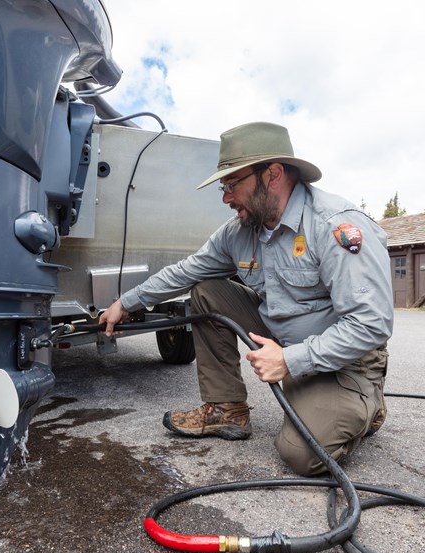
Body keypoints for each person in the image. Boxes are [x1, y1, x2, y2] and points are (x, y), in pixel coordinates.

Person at [99, 121, 393, 476]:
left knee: (301, 455)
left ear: (273, 174)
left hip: (345, 359)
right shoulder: (238, 232)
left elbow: (370, 323)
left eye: (232, 184)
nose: (225, 198)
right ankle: (227, 410)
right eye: (223, 187)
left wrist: (291, 360)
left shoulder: (334, 225)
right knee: (207, 291)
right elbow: (187, 270)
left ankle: (367, 403)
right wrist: (126, 302)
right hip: (283, 339)